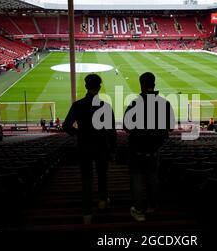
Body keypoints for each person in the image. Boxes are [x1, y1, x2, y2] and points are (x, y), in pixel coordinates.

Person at [63, 74, 116, 225]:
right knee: (102, 175)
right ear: (99, 87)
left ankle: (87, 213)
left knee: (86, 180)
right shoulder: (105, 106)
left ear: (86, 86)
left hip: (84, 147)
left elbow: (66, 126)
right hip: (101, 147)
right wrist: (113, 149)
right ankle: (102, 201)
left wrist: (79, 133)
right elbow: (111, 131)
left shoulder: (78, 105)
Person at [123, 72, 175, 222]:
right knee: (152, 179)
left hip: (137, 150)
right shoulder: (164, 103)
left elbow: (126, 127)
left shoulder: (135, 103)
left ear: (141, 84)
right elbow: (170, 127)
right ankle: (152, 207)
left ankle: (139, 211)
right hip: (154, 150)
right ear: (154, 84)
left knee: (137, 180)